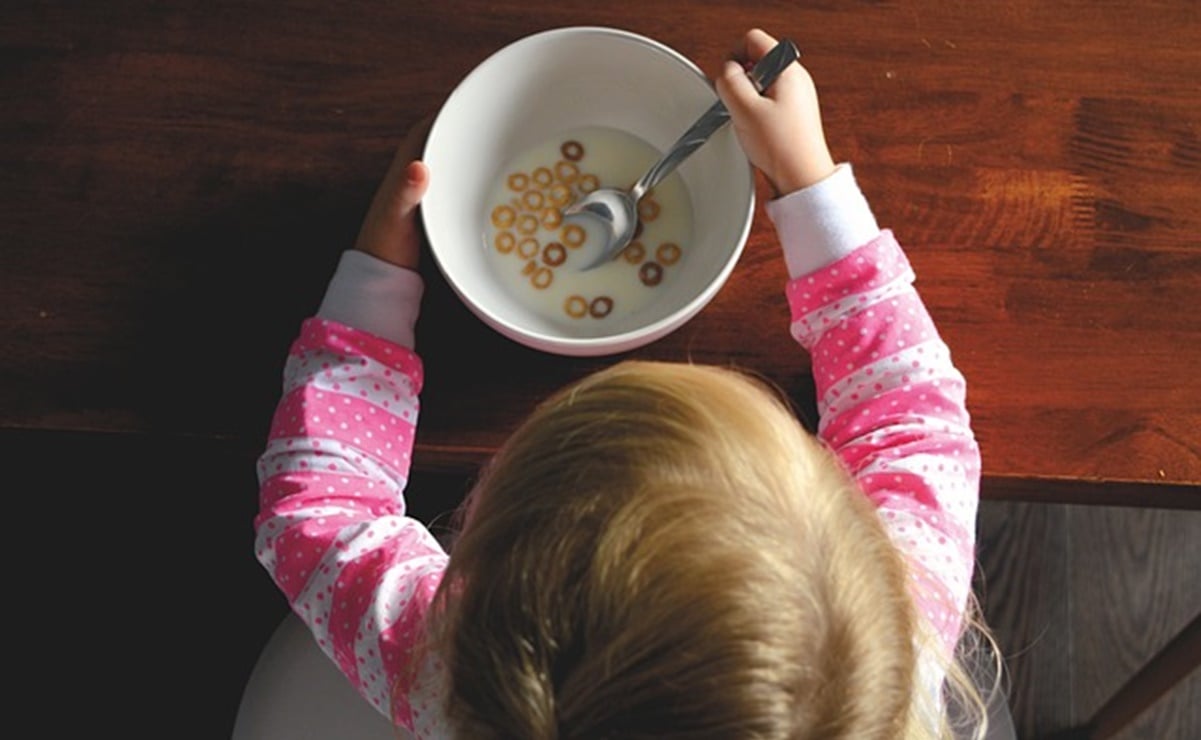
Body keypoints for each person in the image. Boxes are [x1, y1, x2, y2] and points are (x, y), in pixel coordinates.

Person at [255, 27, 1010, 739]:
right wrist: (809, 182)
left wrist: (376, 277)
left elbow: (319, 510)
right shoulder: (892, 642)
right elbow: (910, 415)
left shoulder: (444, 666)